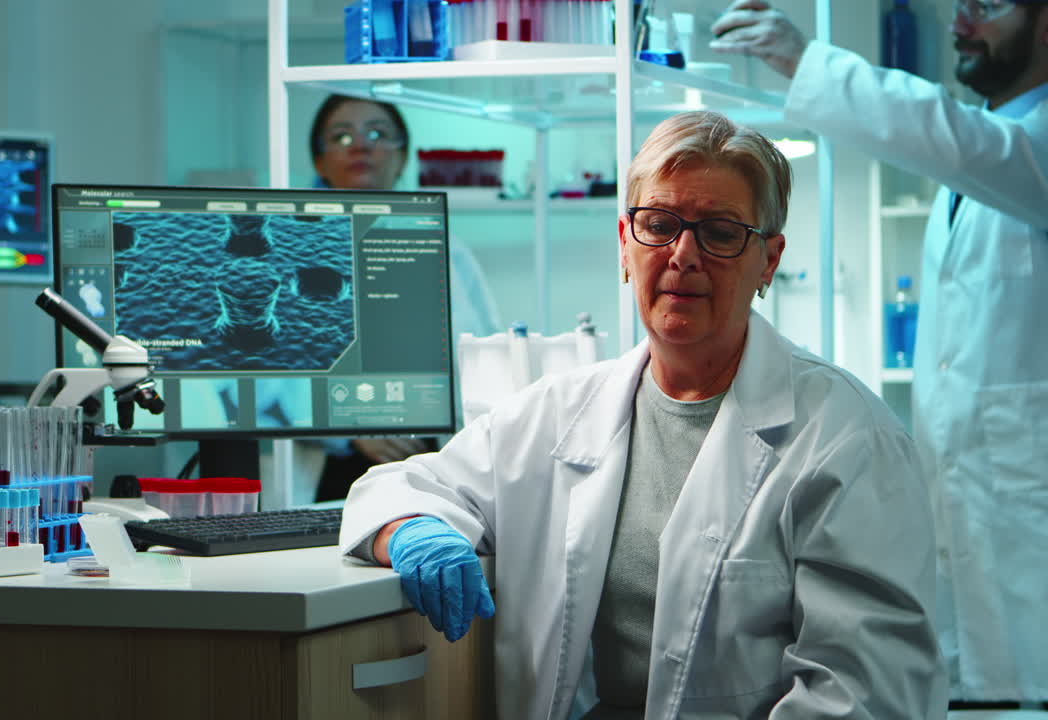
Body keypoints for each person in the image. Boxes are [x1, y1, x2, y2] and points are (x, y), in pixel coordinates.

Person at [338, 110, 947, 720]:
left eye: (720, 232)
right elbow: (403, 484)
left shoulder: (847, 439)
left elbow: (864, 694)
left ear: (768, 260)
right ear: (625, 245)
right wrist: (412, 531)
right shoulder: (562, 412)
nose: (683, 255)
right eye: (659, 225)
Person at [709, 1, 1048, 707]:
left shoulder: (1017, 152)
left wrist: (810, 63)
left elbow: (954, 138)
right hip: (975, 544)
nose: (962, 20)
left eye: (987, 4)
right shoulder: (991, 161)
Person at [306, 94, 502, 501]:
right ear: (320, 162)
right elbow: (272, 383)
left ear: (402, 157)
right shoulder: (298, 254)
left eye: (377, 134)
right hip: (336, 465)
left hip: (435, 457)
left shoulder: (447, 248)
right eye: (342, 137)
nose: (361, 146)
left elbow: (485, 357)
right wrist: (347, 429)